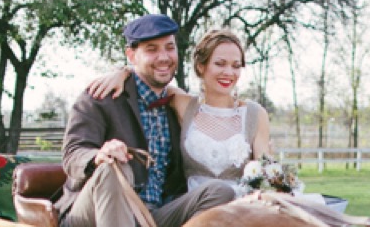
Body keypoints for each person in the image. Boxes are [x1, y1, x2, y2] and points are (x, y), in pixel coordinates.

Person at [57, 14, 237, 227]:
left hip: (154, 214)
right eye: (152, 49)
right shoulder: (101, 96)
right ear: (131, 55)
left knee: (220, 192)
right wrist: (99, 155)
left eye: (169, 48)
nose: (164, 57)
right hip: (94, 212)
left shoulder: (178, 104)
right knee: (112, 167)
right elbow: (73, 153)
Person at [84, 27, 271, 198]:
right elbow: (149, 80)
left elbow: (266, 174)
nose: (228, 72)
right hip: (197, 207)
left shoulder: (254, 114)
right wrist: (123, 72)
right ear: (201, 66)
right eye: (220, 64)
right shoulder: (184, 104)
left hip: (242, 207)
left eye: (236, 65)